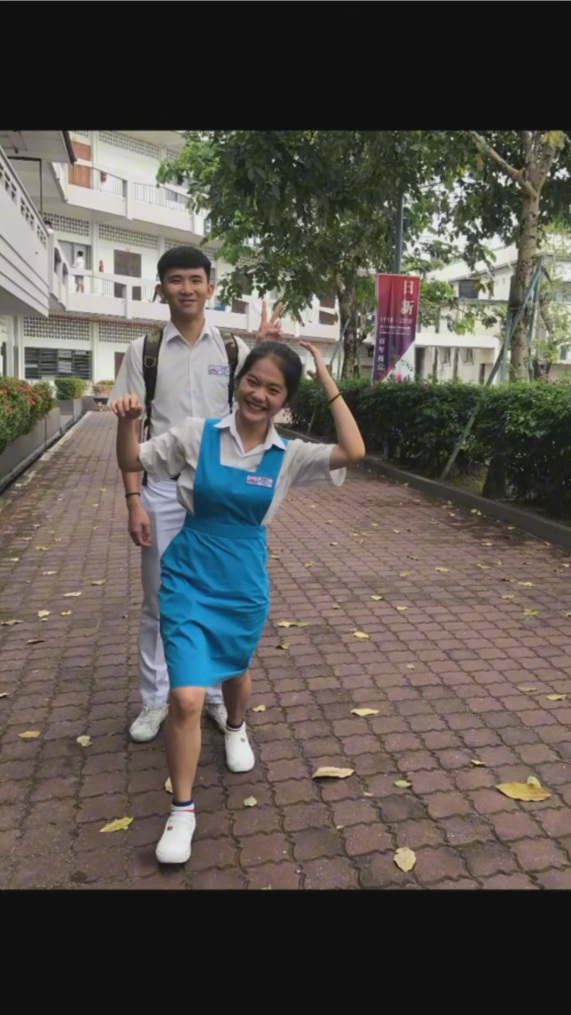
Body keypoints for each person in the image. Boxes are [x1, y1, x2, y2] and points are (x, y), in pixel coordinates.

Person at [111, 339, 366, 864]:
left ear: (285, 400)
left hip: (243, 584)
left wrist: (327, 381)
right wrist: (128, 422)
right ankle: (182, 810)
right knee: (185, 697)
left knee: (235, 669)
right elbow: (133, 458)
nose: (259, 394)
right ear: (237, 380)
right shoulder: (196, 434)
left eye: (274, 389)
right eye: (252, 381)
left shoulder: (288, 455)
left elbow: (353, 451)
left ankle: (235, 725)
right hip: (188, 575)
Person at [110, 246, 283, 743]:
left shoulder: (232, 350)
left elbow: (256, 405)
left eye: (194, 279)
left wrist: (264, 348)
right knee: (158, 601)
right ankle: (155, 699)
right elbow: (132, 429)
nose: (185, 289)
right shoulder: (143, 351)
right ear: (160, 289)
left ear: (210, 287)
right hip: (163, 490)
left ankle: (211, 693)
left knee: (219, 596)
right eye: (175, 280)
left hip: (218, 495)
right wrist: (134, 501)